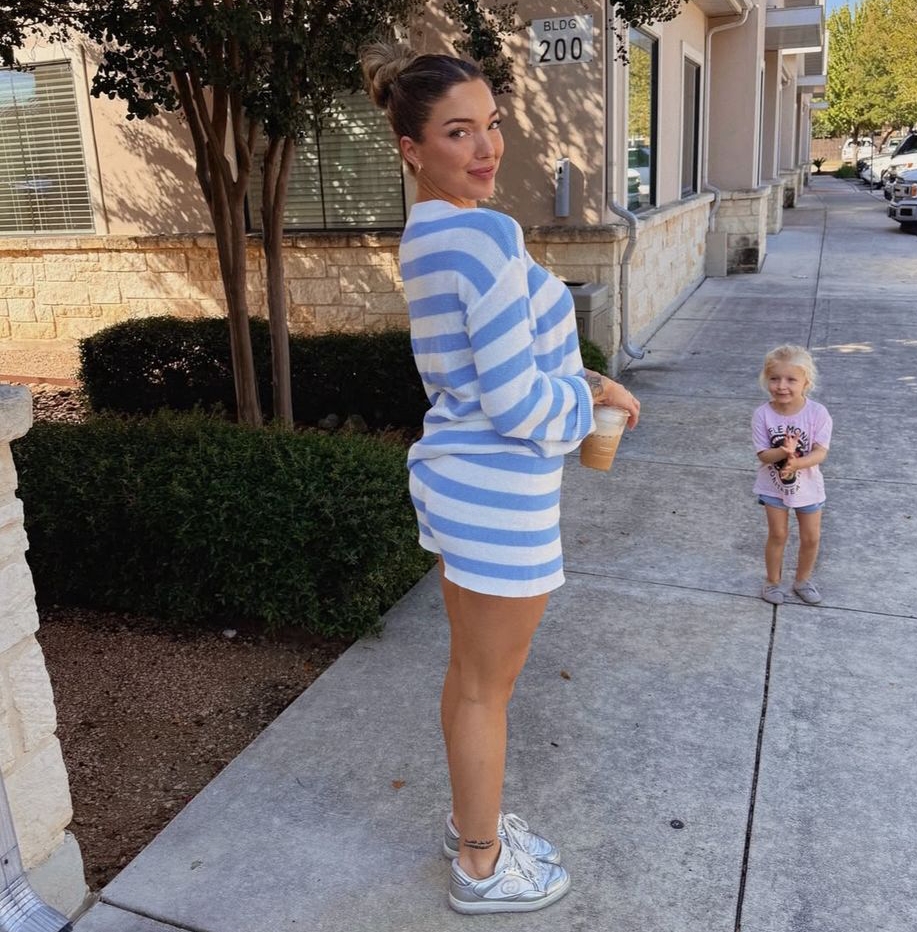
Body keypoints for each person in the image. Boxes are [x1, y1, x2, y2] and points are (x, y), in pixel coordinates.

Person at [360, 41, 641, 914]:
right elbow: (519, 404)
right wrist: (583, 407)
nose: (486, 147)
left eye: (490, 124)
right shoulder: (483, 235)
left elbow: (496, 365)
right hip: (498, 494)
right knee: (488, 688)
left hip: (463, 485)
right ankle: (481, 866)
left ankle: (468, 826)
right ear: (412, 148)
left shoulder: (429, 235)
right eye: (458, 132)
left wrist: (589, 381)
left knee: (470, 675)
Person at [753, 345, 832, 605]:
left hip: (808, 487)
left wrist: (797, 463)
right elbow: (764, 455)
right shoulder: (762, 415)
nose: (781, 386)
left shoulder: (817, 414)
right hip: (773, 486)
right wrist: (782, 452)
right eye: (774, 378)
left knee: (811, 537)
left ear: (806, 382)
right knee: (778, 535)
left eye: (791, 379)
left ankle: (802, 580)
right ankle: (772, 582)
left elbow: (820, 452)